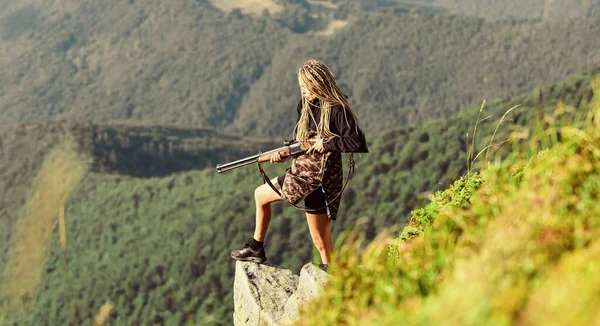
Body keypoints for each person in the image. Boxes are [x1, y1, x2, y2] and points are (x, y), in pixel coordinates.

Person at [230, 59, 368, 266]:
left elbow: (357, 142)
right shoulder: (305, 105)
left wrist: (328, 143)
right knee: (262, 196)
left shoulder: (338, 109)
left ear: (320, 83)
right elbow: (303, 144)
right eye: (301, 86)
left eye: (307, 86)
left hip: (321, 181)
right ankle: (256, 247)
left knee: (321, 241)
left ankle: (257, 248)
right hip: (302, 173)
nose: (303, 91)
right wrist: (285, 154)